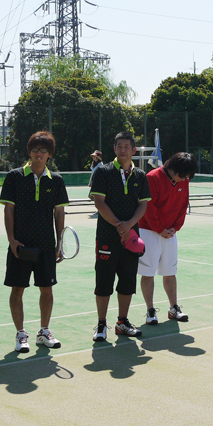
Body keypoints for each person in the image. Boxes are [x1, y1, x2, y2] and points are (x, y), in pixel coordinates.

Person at [0, 131, 69, 353]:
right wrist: (11, 240)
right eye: (35, 150)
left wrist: (59, 242)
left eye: (43, 151)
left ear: (49, 155)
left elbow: (59, 213)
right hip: (20, 246)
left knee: (46, 290)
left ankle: (44, 331)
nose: (39, 154)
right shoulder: (15, 177)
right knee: (17, 290)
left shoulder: (56, 180)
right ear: (29, 152)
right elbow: (9, 210)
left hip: (46, 246)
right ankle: (21, 334)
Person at [89, 131, 151, 342]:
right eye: (119, 146)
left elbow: (143, 205)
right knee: (104, 281)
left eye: (127, 146)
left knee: (127, 282)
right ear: (114, 149)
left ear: (133, 150)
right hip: (107, 236)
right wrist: (119, 225)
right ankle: (101, 324)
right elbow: (99, 202)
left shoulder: (141, 176)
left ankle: (122, 322)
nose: (123, 150)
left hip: (131, 239)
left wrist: (129, 226)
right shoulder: (103, 172)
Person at [138, 152, 198, 324]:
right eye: (183, 175)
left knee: (170, 272)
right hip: (149, 231)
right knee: (148, 273)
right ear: (173, 169)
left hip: (170, 234)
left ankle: (174, 308)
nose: (184, 179)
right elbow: (149, 206)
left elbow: (183, 204)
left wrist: (175, 228)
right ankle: (150, 310)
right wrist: (160, 228)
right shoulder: (152, 177)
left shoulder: (184, 180)